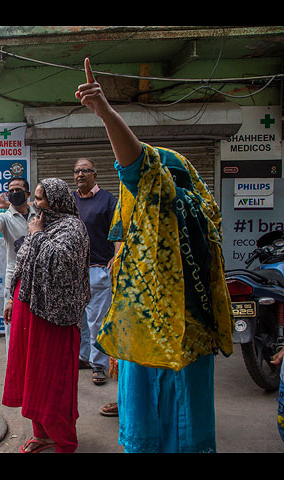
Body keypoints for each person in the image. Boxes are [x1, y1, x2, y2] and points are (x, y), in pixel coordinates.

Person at [77, 57, 234, 453]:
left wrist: (106, 113)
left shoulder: (168, 205)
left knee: (165, 427)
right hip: (173, 340)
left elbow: (140, 170)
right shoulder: (200, 210)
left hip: (162, 342)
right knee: (187, 424)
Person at [2, 178, 90, 453]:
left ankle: (63, 439)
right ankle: (42, 433)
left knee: (54, 380)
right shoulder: (38, 224)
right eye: (36, 199)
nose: (34, 203)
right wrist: (10, 299)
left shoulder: (72, 228)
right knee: (32, 377)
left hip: (56, 319)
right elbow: (23, 264)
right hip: (29, 311)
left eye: (39, 199)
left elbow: (62, 264)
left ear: (55, 200)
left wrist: (37, 234)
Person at [71, 158, 120, 385]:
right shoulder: (71, 201)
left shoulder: (108, 200)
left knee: (97, 321)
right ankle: (84, 357)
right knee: (79, 319)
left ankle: (99, 365)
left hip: (98, 269)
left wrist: (115, 257)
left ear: (95, 174)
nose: (80, 174)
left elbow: (118, 231)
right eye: (77, 171)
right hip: (74, 272)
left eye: (85, 170)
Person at [0, 177, 36, 354]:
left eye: (18, 190)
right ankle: (13, 367)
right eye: (10, 190)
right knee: (13, 325)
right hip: (14, 280)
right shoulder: (6, 218)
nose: (14, 193)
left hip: (38, 278)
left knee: (35, 325)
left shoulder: (38, 214)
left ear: (27, 193)